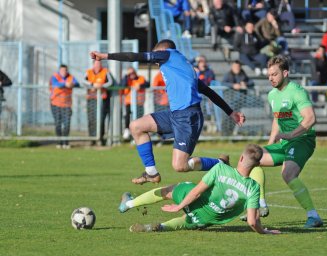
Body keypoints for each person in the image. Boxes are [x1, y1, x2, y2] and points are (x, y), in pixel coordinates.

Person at [90, 39, 245, 185]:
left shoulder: (168, 54)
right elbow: (208, 91)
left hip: (188, 117)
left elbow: (135, 56)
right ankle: (151, 173)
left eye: (157, 57)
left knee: (180, 166)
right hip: (175, 114)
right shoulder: (181, 67)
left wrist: (105, 56)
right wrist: (231, 112)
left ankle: (220, 164)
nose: (156, 62)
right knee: (136, 126)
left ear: (163, 51)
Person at [119, 144, 280, 234]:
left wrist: (179, 206)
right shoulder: (253, 188)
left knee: (169, 190)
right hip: (209, 218)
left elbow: (197, 191)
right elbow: (252, 221)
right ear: (257, 164)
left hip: (194, 200)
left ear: (241, 158)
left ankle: (129, 204)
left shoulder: (220, 169)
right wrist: (265, 232)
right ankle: (159, 227)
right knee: (187, 221)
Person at [256, 55, 323, 228]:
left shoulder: (297, 91)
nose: (271, 78)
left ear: (285, 73)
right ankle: (260, 204)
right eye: (269, 75)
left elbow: (310, 119)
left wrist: (292, 135)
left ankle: (313, 216)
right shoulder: (272, 95)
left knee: (288, 174)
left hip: (302, 140)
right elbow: (277, 120)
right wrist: (271, 142)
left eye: (274, 74)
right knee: (252, 157)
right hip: (285, 141)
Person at [82, 60, 113, 146]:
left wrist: (101, 85)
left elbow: (110, 82)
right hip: (91, 99)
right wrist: (92, 84)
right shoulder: (88, 72)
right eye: (96, 64)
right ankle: (92, 138)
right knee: (91, 119)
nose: (98, 66)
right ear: (93, 65)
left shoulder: (105, 71)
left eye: (99, 64)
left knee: (101, 119)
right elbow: (83, 81)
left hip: (101, 99)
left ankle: (100, 138)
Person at [49, 65, 79, 149]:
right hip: (55, 104)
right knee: (58, 124)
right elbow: (55, 84)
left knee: (67, 124)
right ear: (59, 71)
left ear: (67, 71)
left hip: (67, 105)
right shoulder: (55, 76)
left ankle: (66, 142)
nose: (63, 72)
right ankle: (59, 142)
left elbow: (77, 83)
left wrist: (72, 84)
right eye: (62, 70)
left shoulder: (70, 77)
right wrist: (65, 84)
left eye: (65, 71)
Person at [120, 67, 148, 140]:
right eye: (130, 73)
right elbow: (122, 85)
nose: (131, 75)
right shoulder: (127, 80)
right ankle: (127, 130)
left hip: (139, 102)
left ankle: (138, 134)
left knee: (139, 118)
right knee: (127, 116)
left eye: (132, 73)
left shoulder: (141, 78)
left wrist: (140, 86)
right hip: (129, 102)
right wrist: (126, 76)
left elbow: (147, 84)